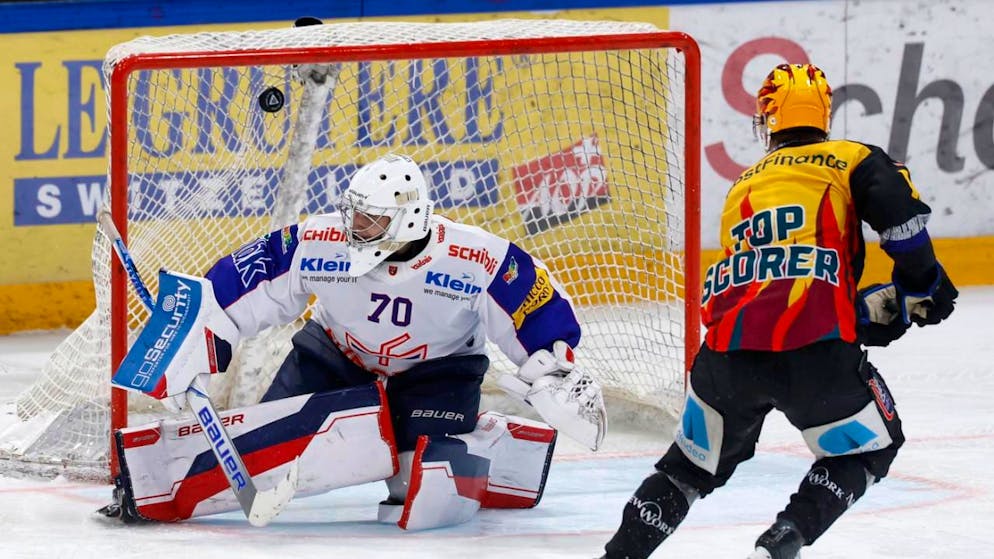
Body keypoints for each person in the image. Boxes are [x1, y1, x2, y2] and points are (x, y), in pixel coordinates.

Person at [101, 153, 606, 529]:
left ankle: (492, 442)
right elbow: (240, 284)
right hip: (335, 355)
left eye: (370, 220)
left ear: (409, 219)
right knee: (267, 457)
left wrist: (552, 368)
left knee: (417, 491)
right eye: (353, 214)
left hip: (438, 371)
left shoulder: (478, 258)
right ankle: (150, 485)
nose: (354, 227)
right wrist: (199, 331)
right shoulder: (318, 242)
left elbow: (535, 308)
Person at [599, 63, 958, 559]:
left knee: (685, 471)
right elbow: (902, 229)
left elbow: (773, 285)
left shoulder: (743, 185)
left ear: (767, 121)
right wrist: (923, 284)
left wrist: (863, 312)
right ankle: (782, 540)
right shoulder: (851, 158)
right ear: (825, 115)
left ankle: (616, 556)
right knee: (871, 446)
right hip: (815, 356)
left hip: (726, 356)